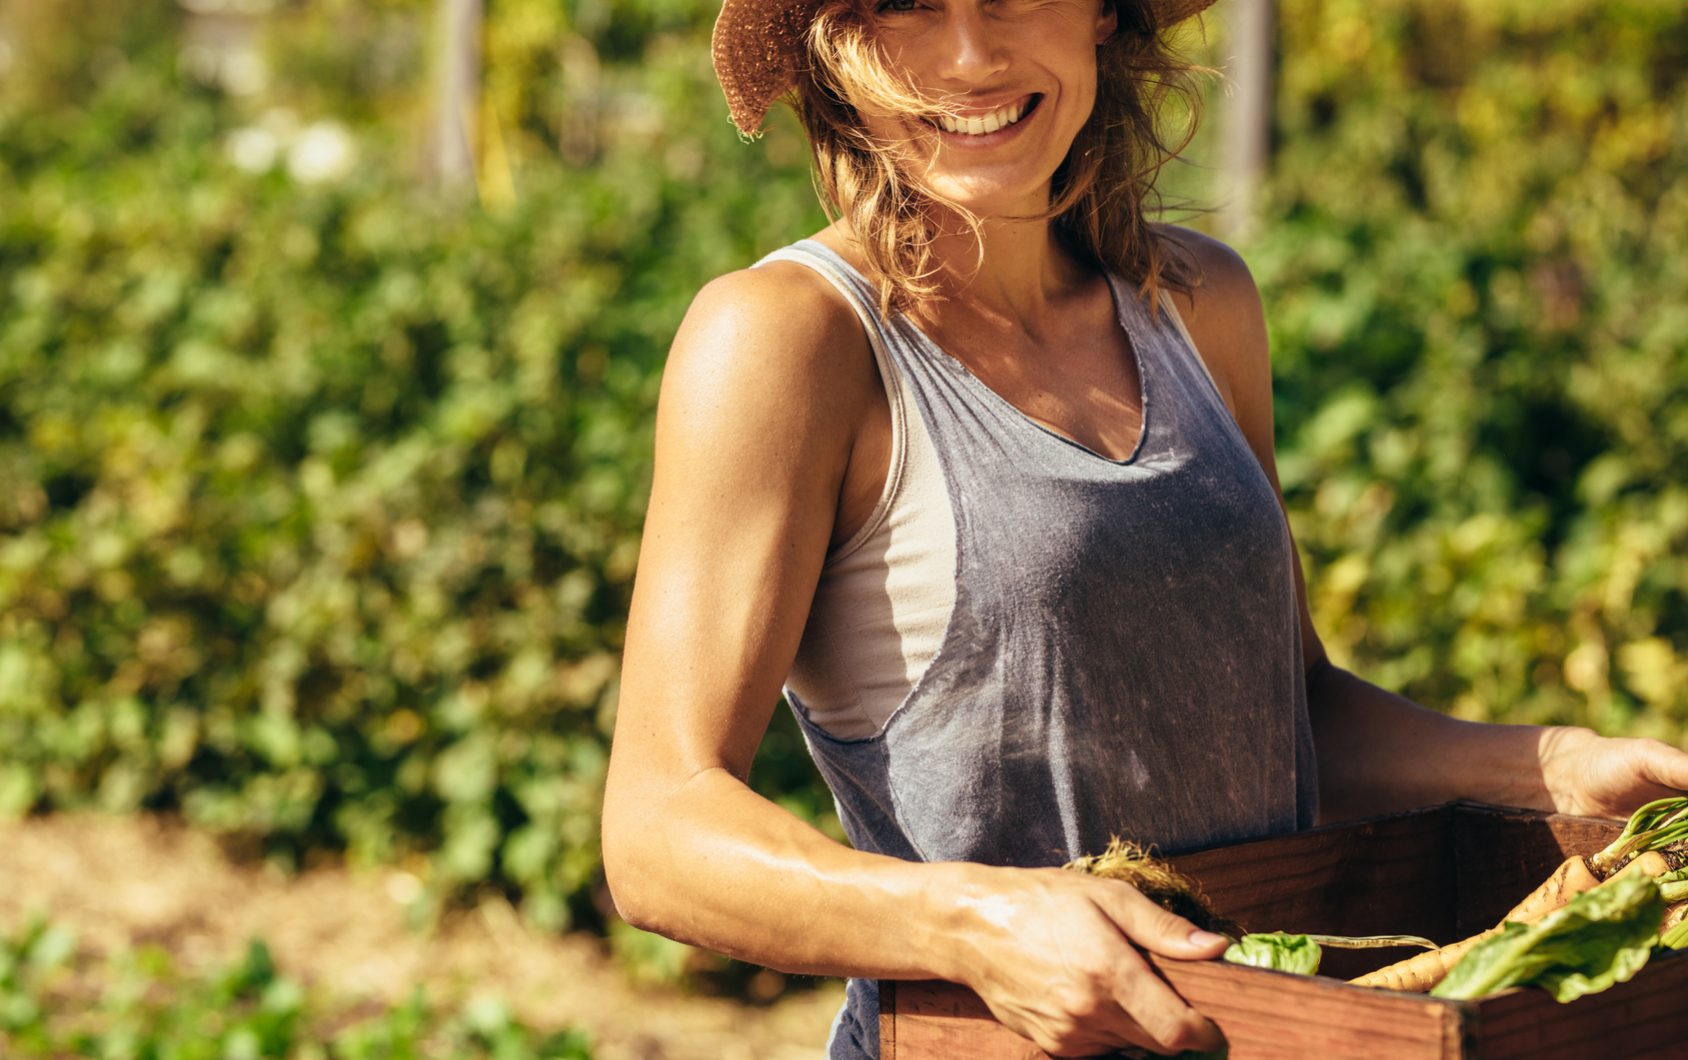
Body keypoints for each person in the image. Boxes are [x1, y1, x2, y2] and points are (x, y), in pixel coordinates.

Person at [596, 0, 1688, 1056]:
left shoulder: (1197, 304)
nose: (970, 54)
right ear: (832, 49)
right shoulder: (791, 339)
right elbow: (658, 832)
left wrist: (1546, 768)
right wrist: (973, 925)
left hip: (1260, 1033)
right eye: (901, 3)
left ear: (1102, 14)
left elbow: (1289, 716)